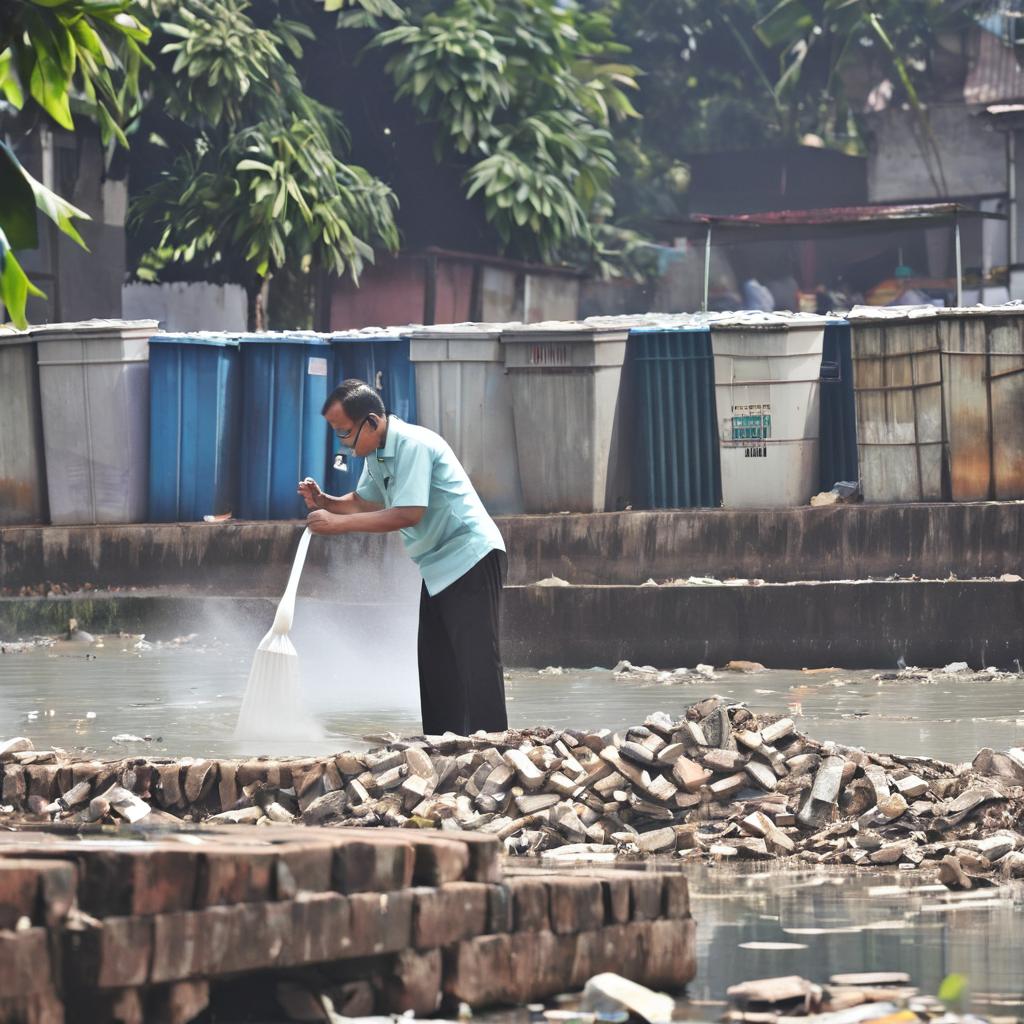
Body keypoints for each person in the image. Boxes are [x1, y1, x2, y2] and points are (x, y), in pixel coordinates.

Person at [298, 378, 508, 736]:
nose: (343, 444)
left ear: (372, 422)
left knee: (477, 663)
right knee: (436, 664)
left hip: (470, 555)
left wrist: (337, 525)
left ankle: (498, 749)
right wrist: (326, 502)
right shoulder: (377, 453)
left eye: (345, 432)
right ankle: (444, 749)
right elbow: (366, 500)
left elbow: (408, 513)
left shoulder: (411, 443)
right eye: (337, 433)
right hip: (438, 566)